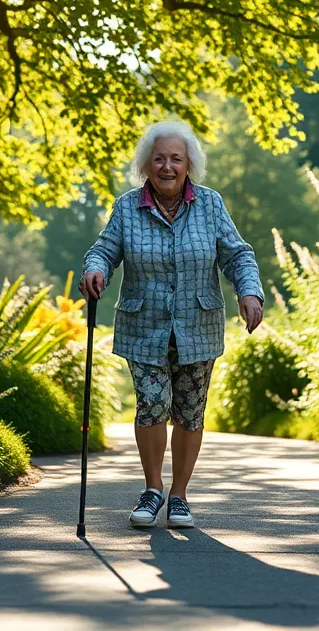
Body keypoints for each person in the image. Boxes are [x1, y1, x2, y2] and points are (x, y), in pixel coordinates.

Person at [81, 120, 263, 529]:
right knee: (152, 403)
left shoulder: (211, 205)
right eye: (159, 158)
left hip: (198, 324)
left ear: (188, 165)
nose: (167, 166)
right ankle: (152, 489)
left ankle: (179, 495)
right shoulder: (128, 207)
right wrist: (95, 270)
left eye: (175, 159)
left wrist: (249, 292)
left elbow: (238, 255)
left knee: (190, 412)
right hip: (143, 325)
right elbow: (104, 250)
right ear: (147, 165)